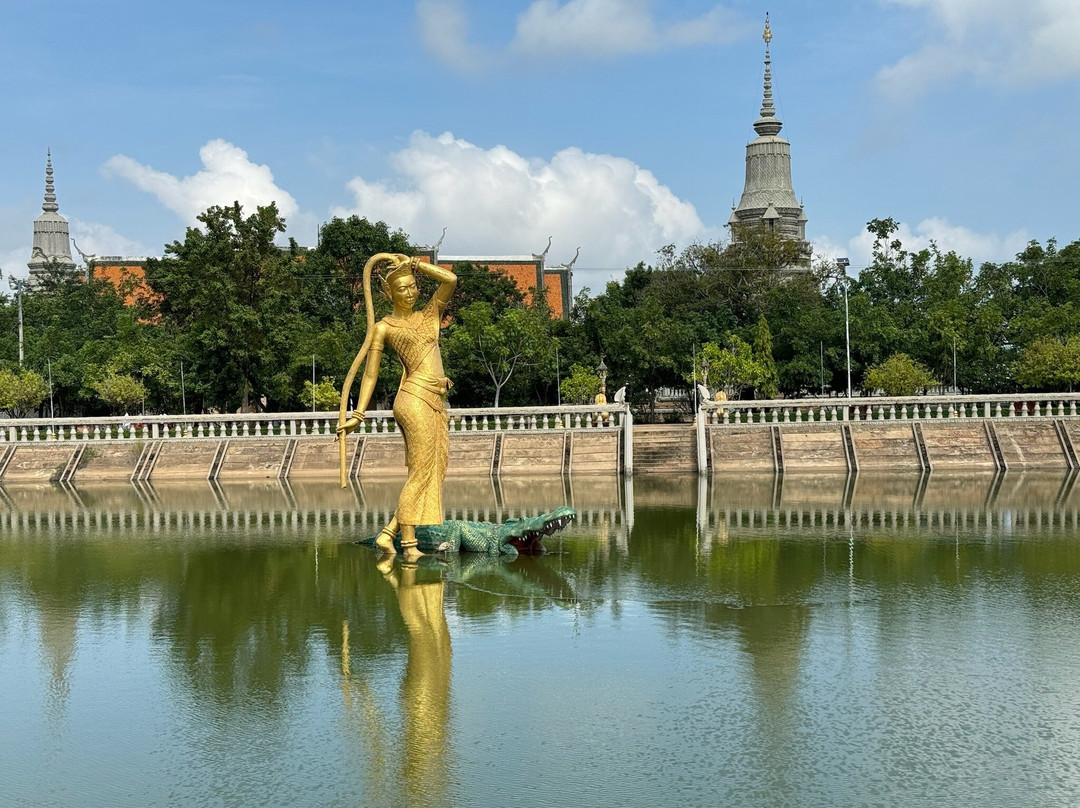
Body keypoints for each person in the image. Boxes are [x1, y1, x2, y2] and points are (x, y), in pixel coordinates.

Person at [337, 254, 458, 563]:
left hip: (436, 400)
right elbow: (370, 374)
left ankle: (388, 533)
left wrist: (416, 265)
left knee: (436, 469)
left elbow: (450, 280)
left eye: (413, 286)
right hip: (413, 399)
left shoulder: (430, 314)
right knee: (419, 472)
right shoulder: (383, 328)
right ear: (388, 293)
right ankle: (409, 544)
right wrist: (358, 415)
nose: (410, 293)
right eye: (402, 288)